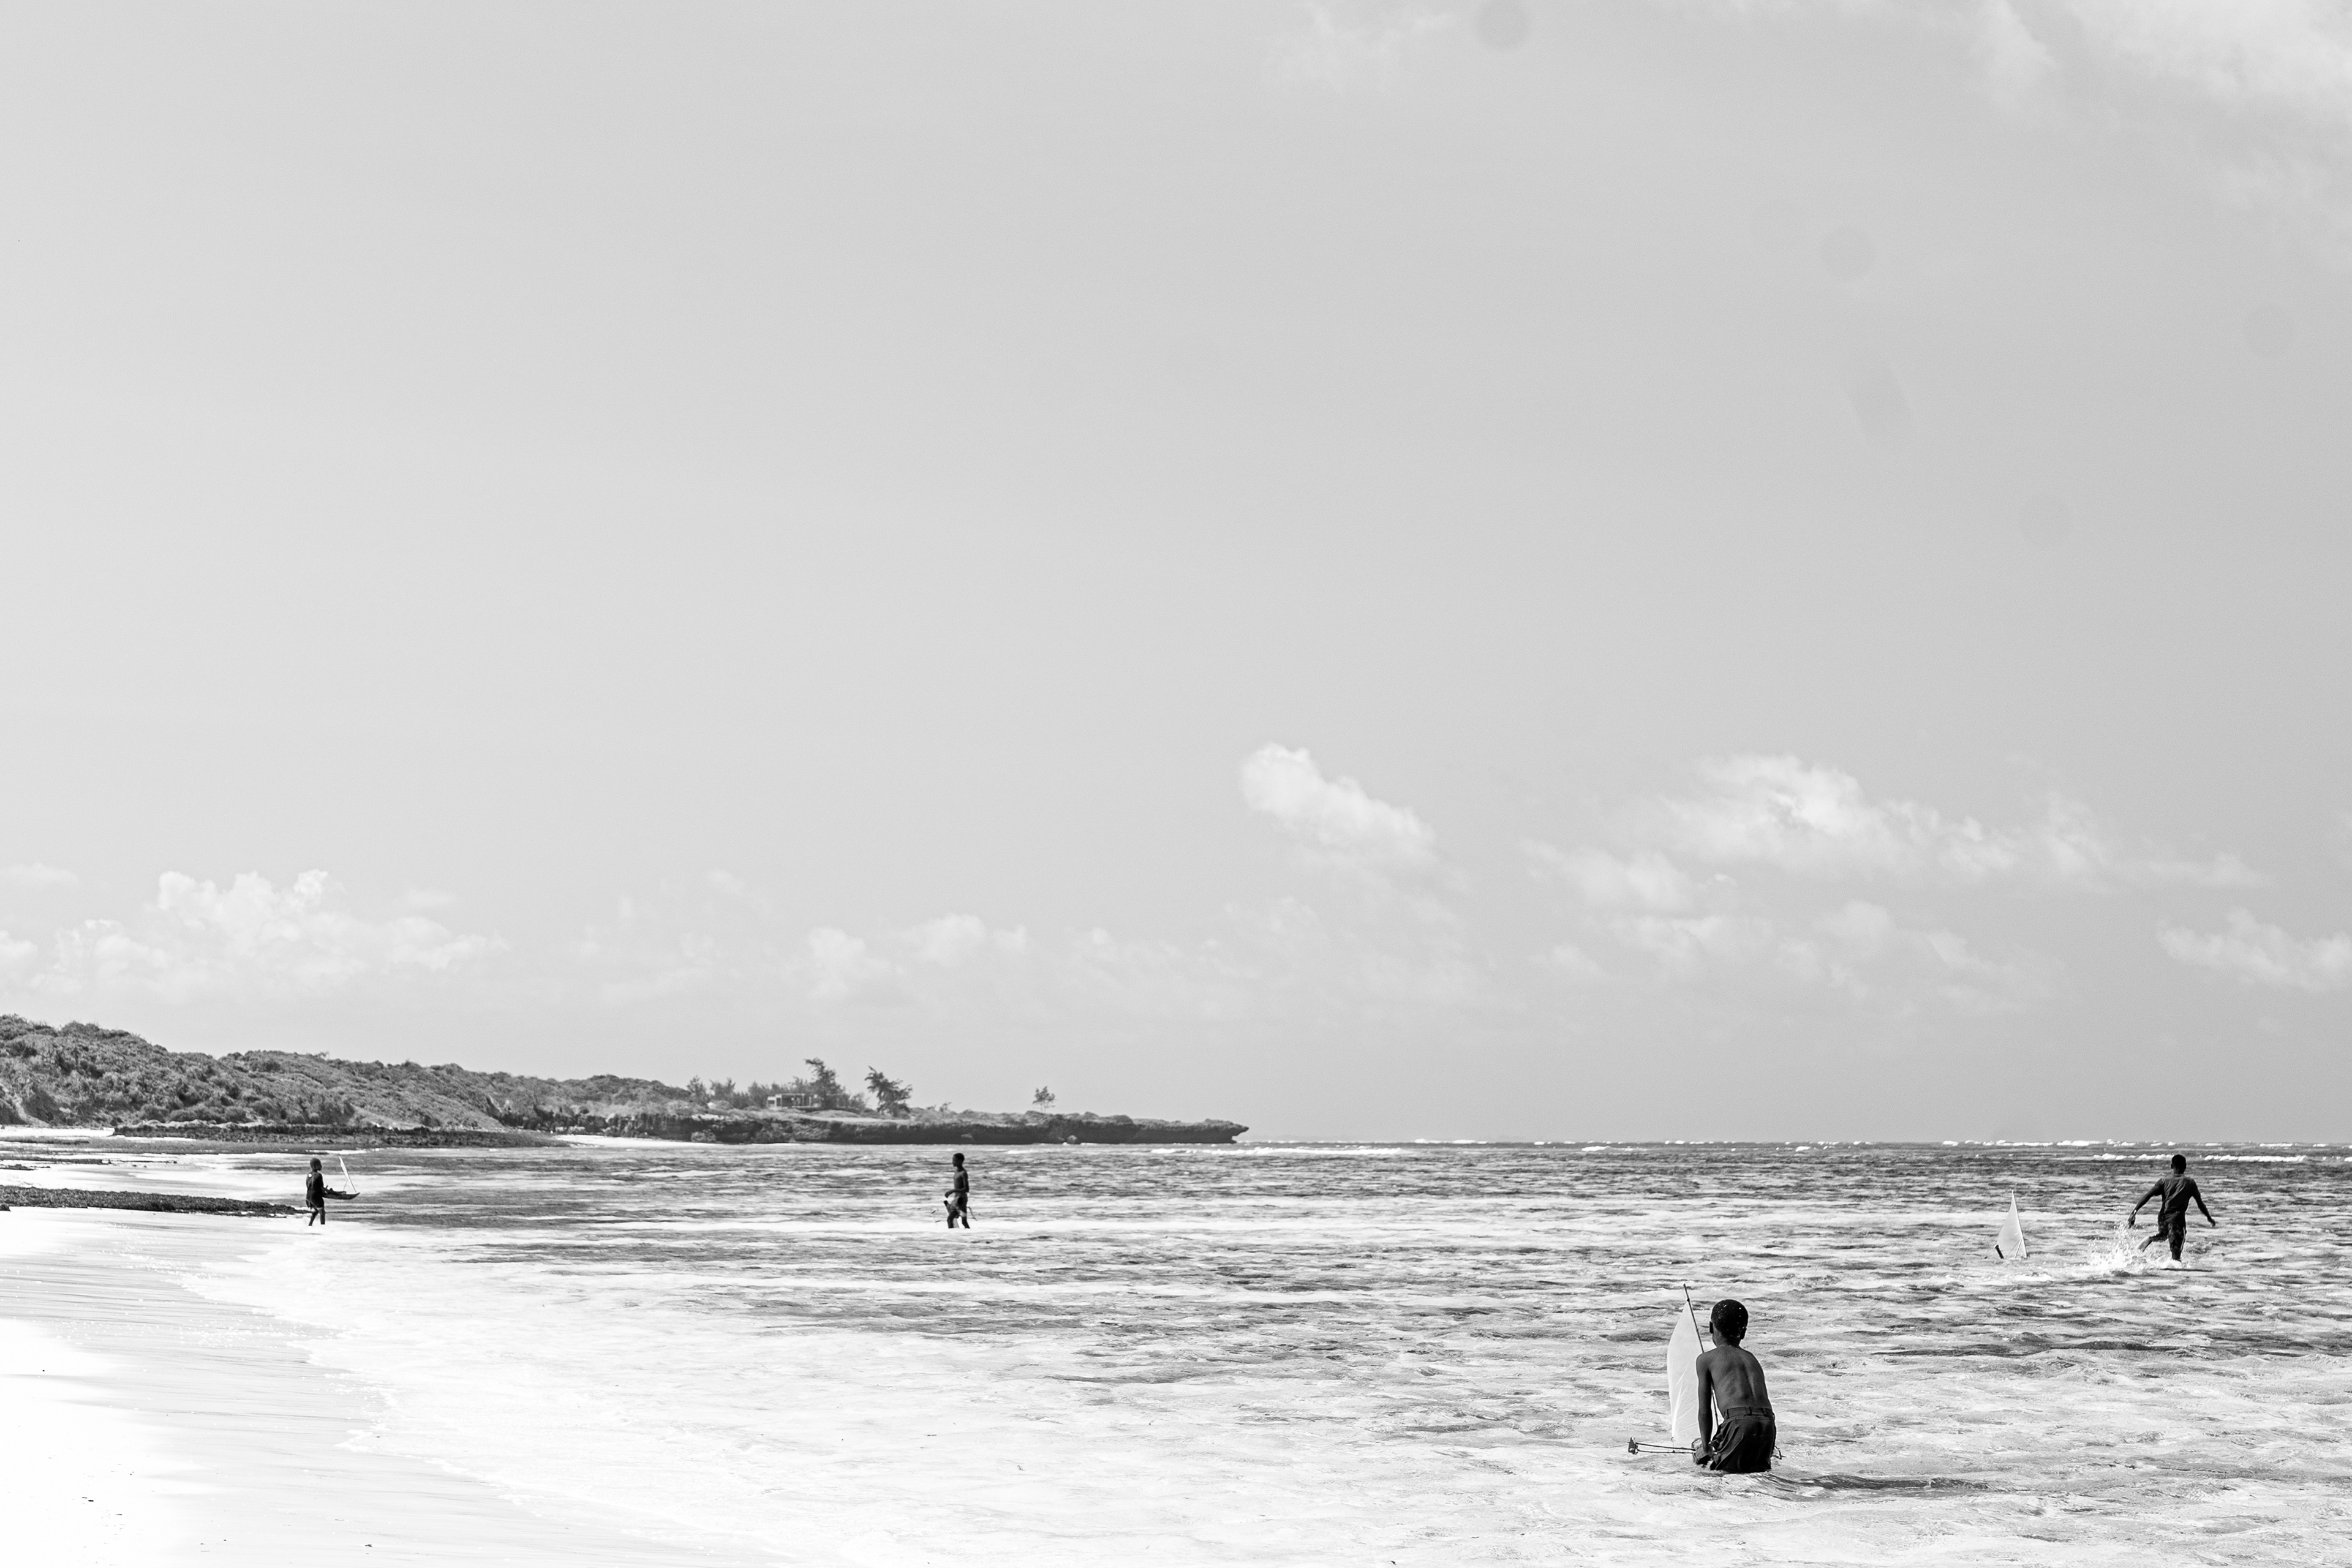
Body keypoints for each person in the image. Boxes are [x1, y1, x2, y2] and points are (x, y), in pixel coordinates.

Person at [1692, 1298, 1774, 1474]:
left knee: (1719, 1478)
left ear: (1711, 1328)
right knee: (1756, 1478)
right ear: (1743, 1333)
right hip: (1768, 1424)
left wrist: (1706, 1446)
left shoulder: (1706, 1359)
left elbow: (1705, 1411)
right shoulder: (1752, 1359)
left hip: (1739, 1423)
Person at [2129, 1153, 2215, 1263]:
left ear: (2171, 1166)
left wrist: (2134, 1212)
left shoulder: (2164, 1181)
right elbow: (2200, 1204)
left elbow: (2148, 1195)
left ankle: (2150, 1239)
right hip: (2177, 1220)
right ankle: (2176, 1278)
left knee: (2163, 1235)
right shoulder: (2190, 1183)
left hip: (2163, 1217)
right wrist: (2209, 1217)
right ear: (2185, 1167)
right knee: (2176, 1257)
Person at [304, 1158, 355, 1226]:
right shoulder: (319, 1175)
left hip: (309, 1197)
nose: (321, 1166)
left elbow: (310, 1186)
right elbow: (322, 1188)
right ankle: (323, 1226)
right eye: (320, 1165)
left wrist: (325, 1191)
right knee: (322, 1213)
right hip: (317, 1197)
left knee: (316, 1211)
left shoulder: (309, 1175)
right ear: (314, 1166)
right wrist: (334, 1193)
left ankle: (310, 1225)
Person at [944, 1152, 971, 1229]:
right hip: (955, 1199)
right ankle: (953, 1237)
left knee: (964, 1222)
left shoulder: (963, 1173)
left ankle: (970, 1235)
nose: (953, 1162)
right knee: (950, 1219)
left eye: (955, 1160)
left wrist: (952, 1191)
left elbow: (967, 1189)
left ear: (960, 1161)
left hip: (961, 1199)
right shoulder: (956, 1172)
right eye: (953, 1160)